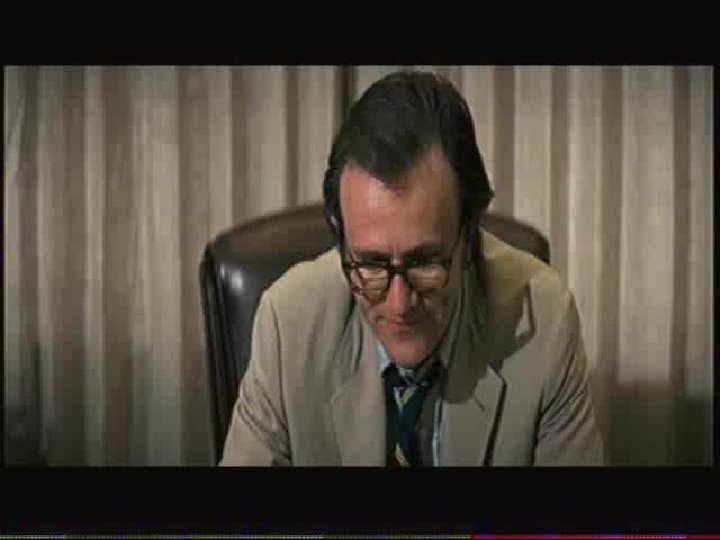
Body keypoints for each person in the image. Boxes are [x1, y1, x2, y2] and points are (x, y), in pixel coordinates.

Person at [220, 70, 604, 466]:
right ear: (341, 239)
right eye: (370, 263)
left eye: (424, 263)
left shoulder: (544, 322)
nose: (400, 304)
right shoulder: (287, 326)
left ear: (468, 239)